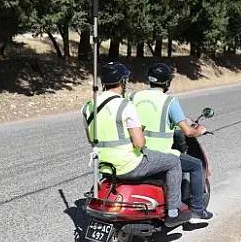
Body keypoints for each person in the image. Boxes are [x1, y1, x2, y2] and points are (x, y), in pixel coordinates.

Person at [81, 61, 191, 228]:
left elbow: (91, 138)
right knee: (174, 162)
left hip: (102, 164)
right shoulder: (125, 105)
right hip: (128, 165)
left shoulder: (88, 107)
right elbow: (139, 143)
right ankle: (174, 211)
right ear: (123, 81)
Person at [129, 63, 213, 222]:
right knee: (195, 165)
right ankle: (197, 211)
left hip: (139, 153)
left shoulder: (133, 97)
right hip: (162, 155)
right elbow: (187, 131)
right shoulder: (169, 102)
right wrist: (199, 131)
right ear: (167, 82)